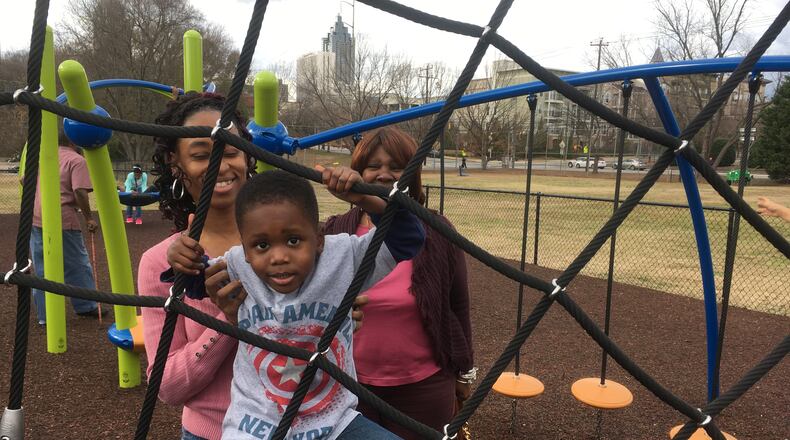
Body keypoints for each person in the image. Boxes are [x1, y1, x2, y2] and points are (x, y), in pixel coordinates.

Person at [140, 93, 370, 440]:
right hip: (214, 434)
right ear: (177, 165)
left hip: (313, 428)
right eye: (202, 155)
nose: (221, 164)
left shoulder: (298, 243)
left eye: (230, 151)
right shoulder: (166, 262)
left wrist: (336, 316)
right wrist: (230, 320)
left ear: (247, 156)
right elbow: (168, 387)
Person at [169, 169, 424, 439]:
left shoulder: (342, 258)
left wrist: (364, 198)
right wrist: (181, 256)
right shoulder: (238, 266)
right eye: (262, 245)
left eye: (293, 240)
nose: (279, 257)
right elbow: (194, 284)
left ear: (319, 238)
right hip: (256, 422)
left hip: (335, 421)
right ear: (245, 249)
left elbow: (407, 239)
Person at [322, 127, 474, 440]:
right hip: (351, 382)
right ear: (358, 172)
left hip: (424, 385)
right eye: (373, 166)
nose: (384, 174)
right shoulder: (336, 231)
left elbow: (458, 303)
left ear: (412, 173)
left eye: (395, 166)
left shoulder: (437, 228)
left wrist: (464, 370)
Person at [24, 131, 105, 325]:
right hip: (62, 218)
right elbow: (79, 191)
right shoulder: (76, 160)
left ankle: (46, 316)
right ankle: (86, 305)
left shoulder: (43, 156)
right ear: (73, 140)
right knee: (77, 263)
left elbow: (23, 180)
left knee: (42, 268)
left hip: (36, 218)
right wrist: (88, 218)